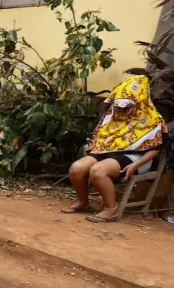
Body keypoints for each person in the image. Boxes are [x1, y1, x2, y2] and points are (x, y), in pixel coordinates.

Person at [63, 74, 167, 223]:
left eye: (125, 107)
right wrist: (93, 146)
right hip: (107, 153)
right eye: (117, 107)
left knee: (98, 171)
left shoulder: (152, 119)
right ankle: (83, 202)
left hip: (137, 158)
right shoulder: (111, 116)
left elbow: (155, 149)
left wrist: (136, 165)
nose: (120, 111)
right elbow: (101, 137)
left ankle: (111, 209)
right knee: (76, 168)